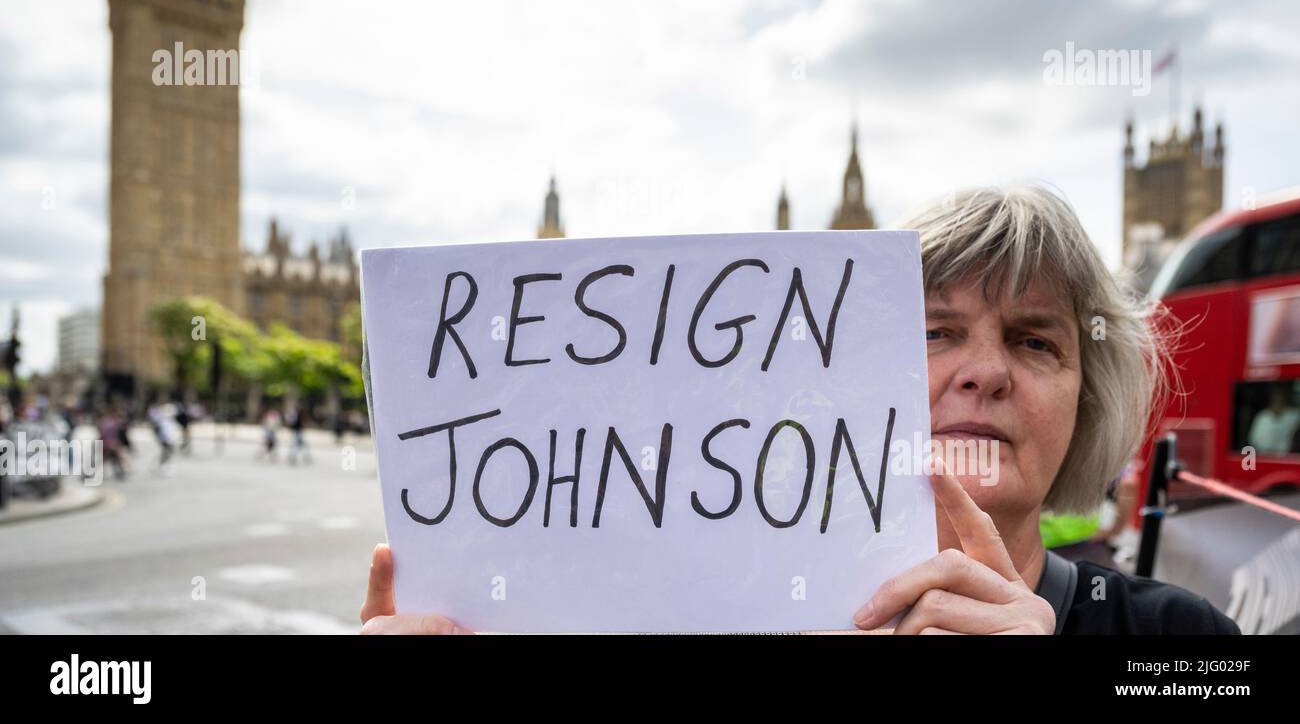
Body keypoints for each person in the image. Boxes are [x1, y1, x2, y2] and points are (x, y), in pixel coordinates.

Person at [358, 185, 1240, 635]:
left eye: (1035, 341)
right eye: (936, 333)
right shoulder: (721, 617)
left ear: (1090, 398)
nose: (984, 372)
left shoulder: (1182, 643)